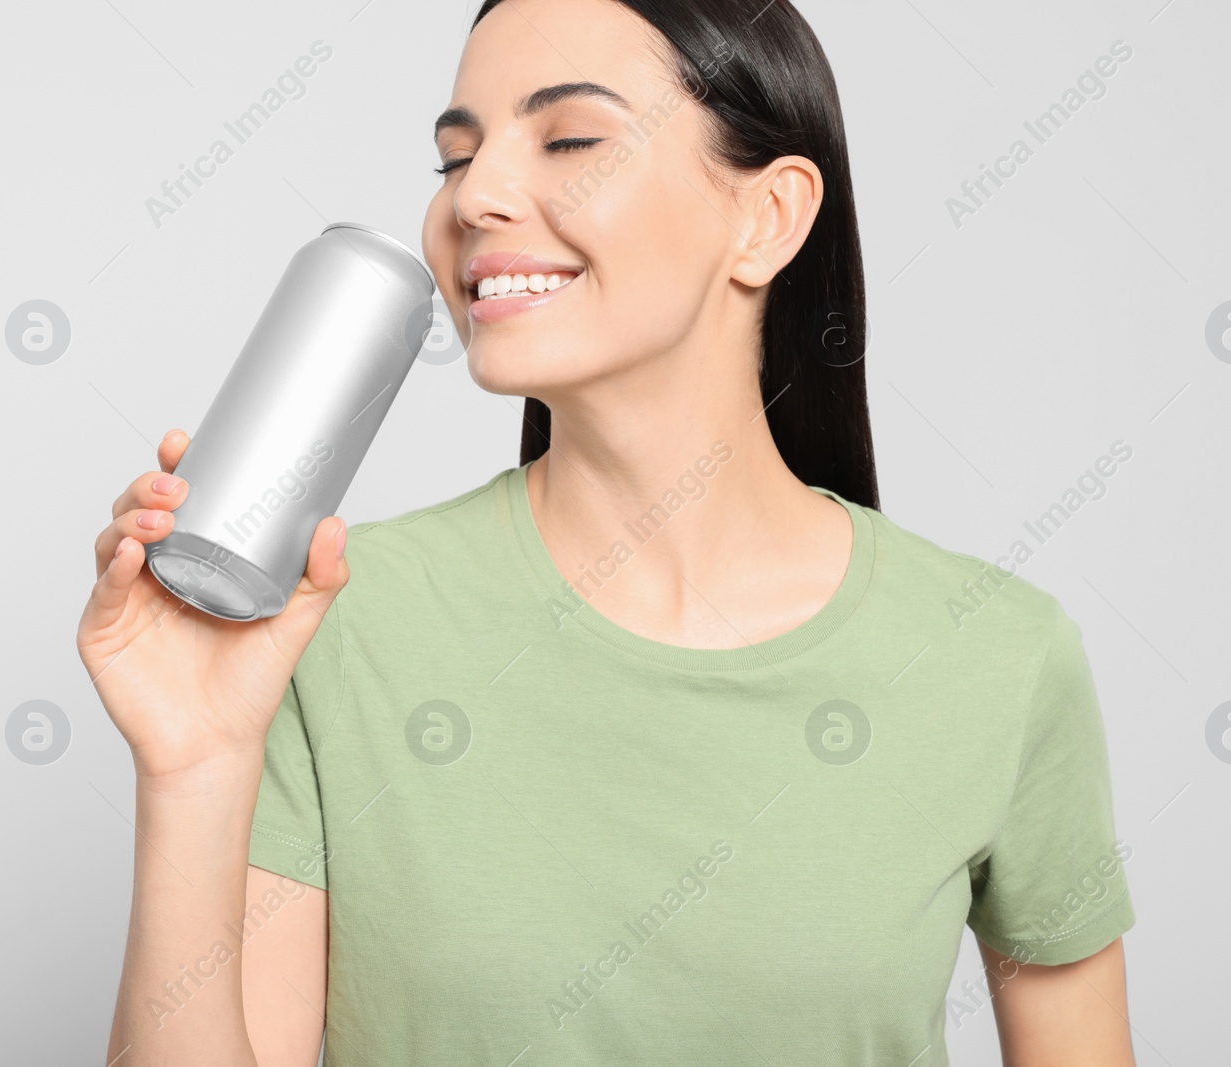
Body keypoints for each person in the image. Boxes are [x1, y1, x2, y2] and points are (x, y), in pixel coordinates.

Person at [79, 0, 1138, 1063]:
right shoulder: (327, 627)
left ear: (766, 216)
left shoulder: (996, 655)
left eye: (570, 139)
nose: (473, 198)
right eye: (456, 156)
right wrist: (194, 769)